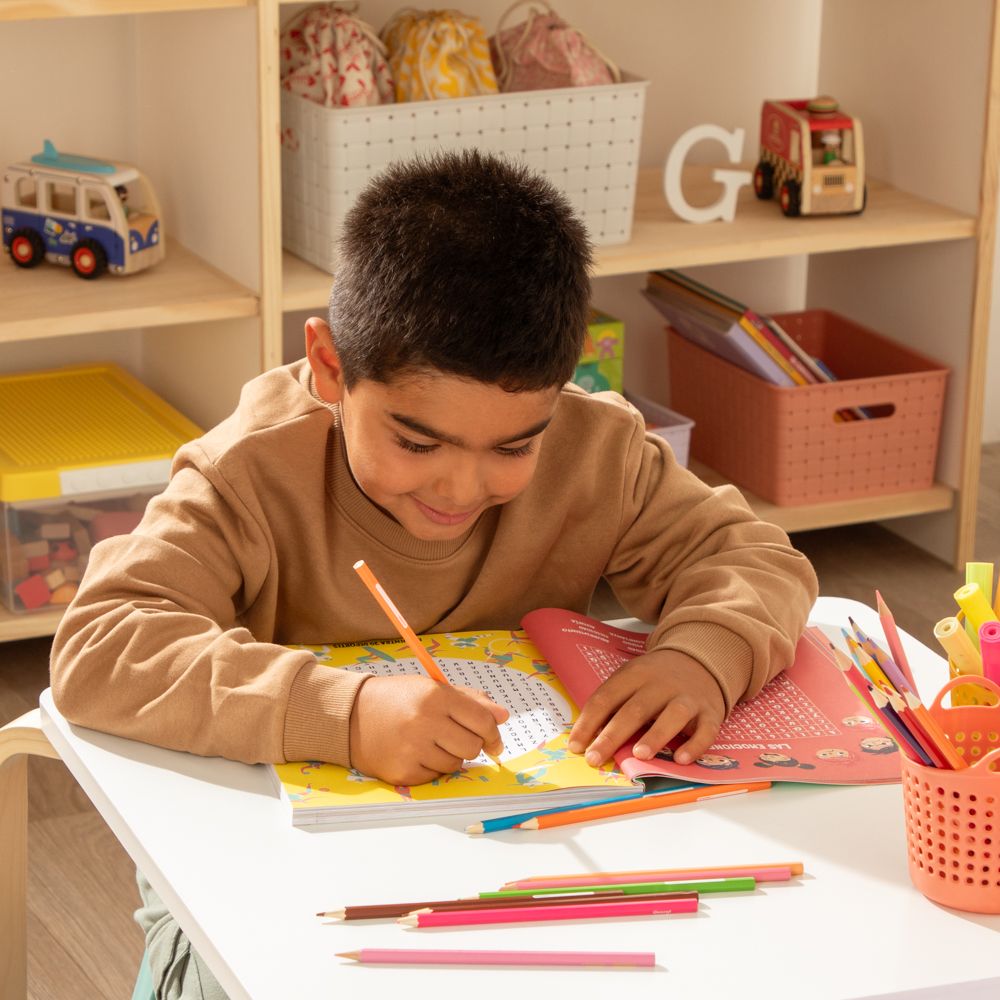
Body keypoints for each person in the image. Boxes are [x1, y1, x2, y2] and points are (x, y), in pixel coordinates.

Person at [50, 150, 818, 997]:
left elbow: (753, 559)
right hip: (262, 881)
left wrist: (700, 654)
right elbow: (102, 644)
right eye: (417, 442)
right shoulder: (249, 471)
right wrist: (344, 714)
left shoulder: (594, 449)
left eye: (513, 446)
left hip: (508, 864)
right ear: (331, 365)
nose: (460, 488)